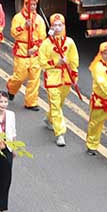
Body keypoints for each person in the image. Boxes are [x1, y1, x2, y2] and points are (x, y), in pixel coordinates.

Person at [38, 13, 78, 147]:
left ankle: (49, 118)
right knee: (55, 104)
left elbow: (74, 60)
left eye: (60, 25)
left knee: (59, 104)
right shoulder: (46, 43)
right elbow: (41, 61)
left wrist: (74, 77)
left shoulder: (70, 42)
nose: (57, 27)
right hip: (52, 78)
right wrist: (56, 62)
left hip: (66, 78)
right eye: (55, 25)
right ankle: (60, 133)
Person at [6, 0, 46, 110]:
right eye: (31, 5)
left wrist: (35, 48)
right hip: (22, 51)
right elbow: (13, 32)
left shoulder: (39, 20)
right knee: (20, 77)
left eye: (34, 5)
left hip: (34, 52)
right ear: (26, 4)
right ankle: (11, 88)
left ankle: (31, 102)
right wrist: (24, 26)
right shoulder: (18, 18)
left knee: (34, 79)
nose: (33, 7)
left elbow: (42, 37)